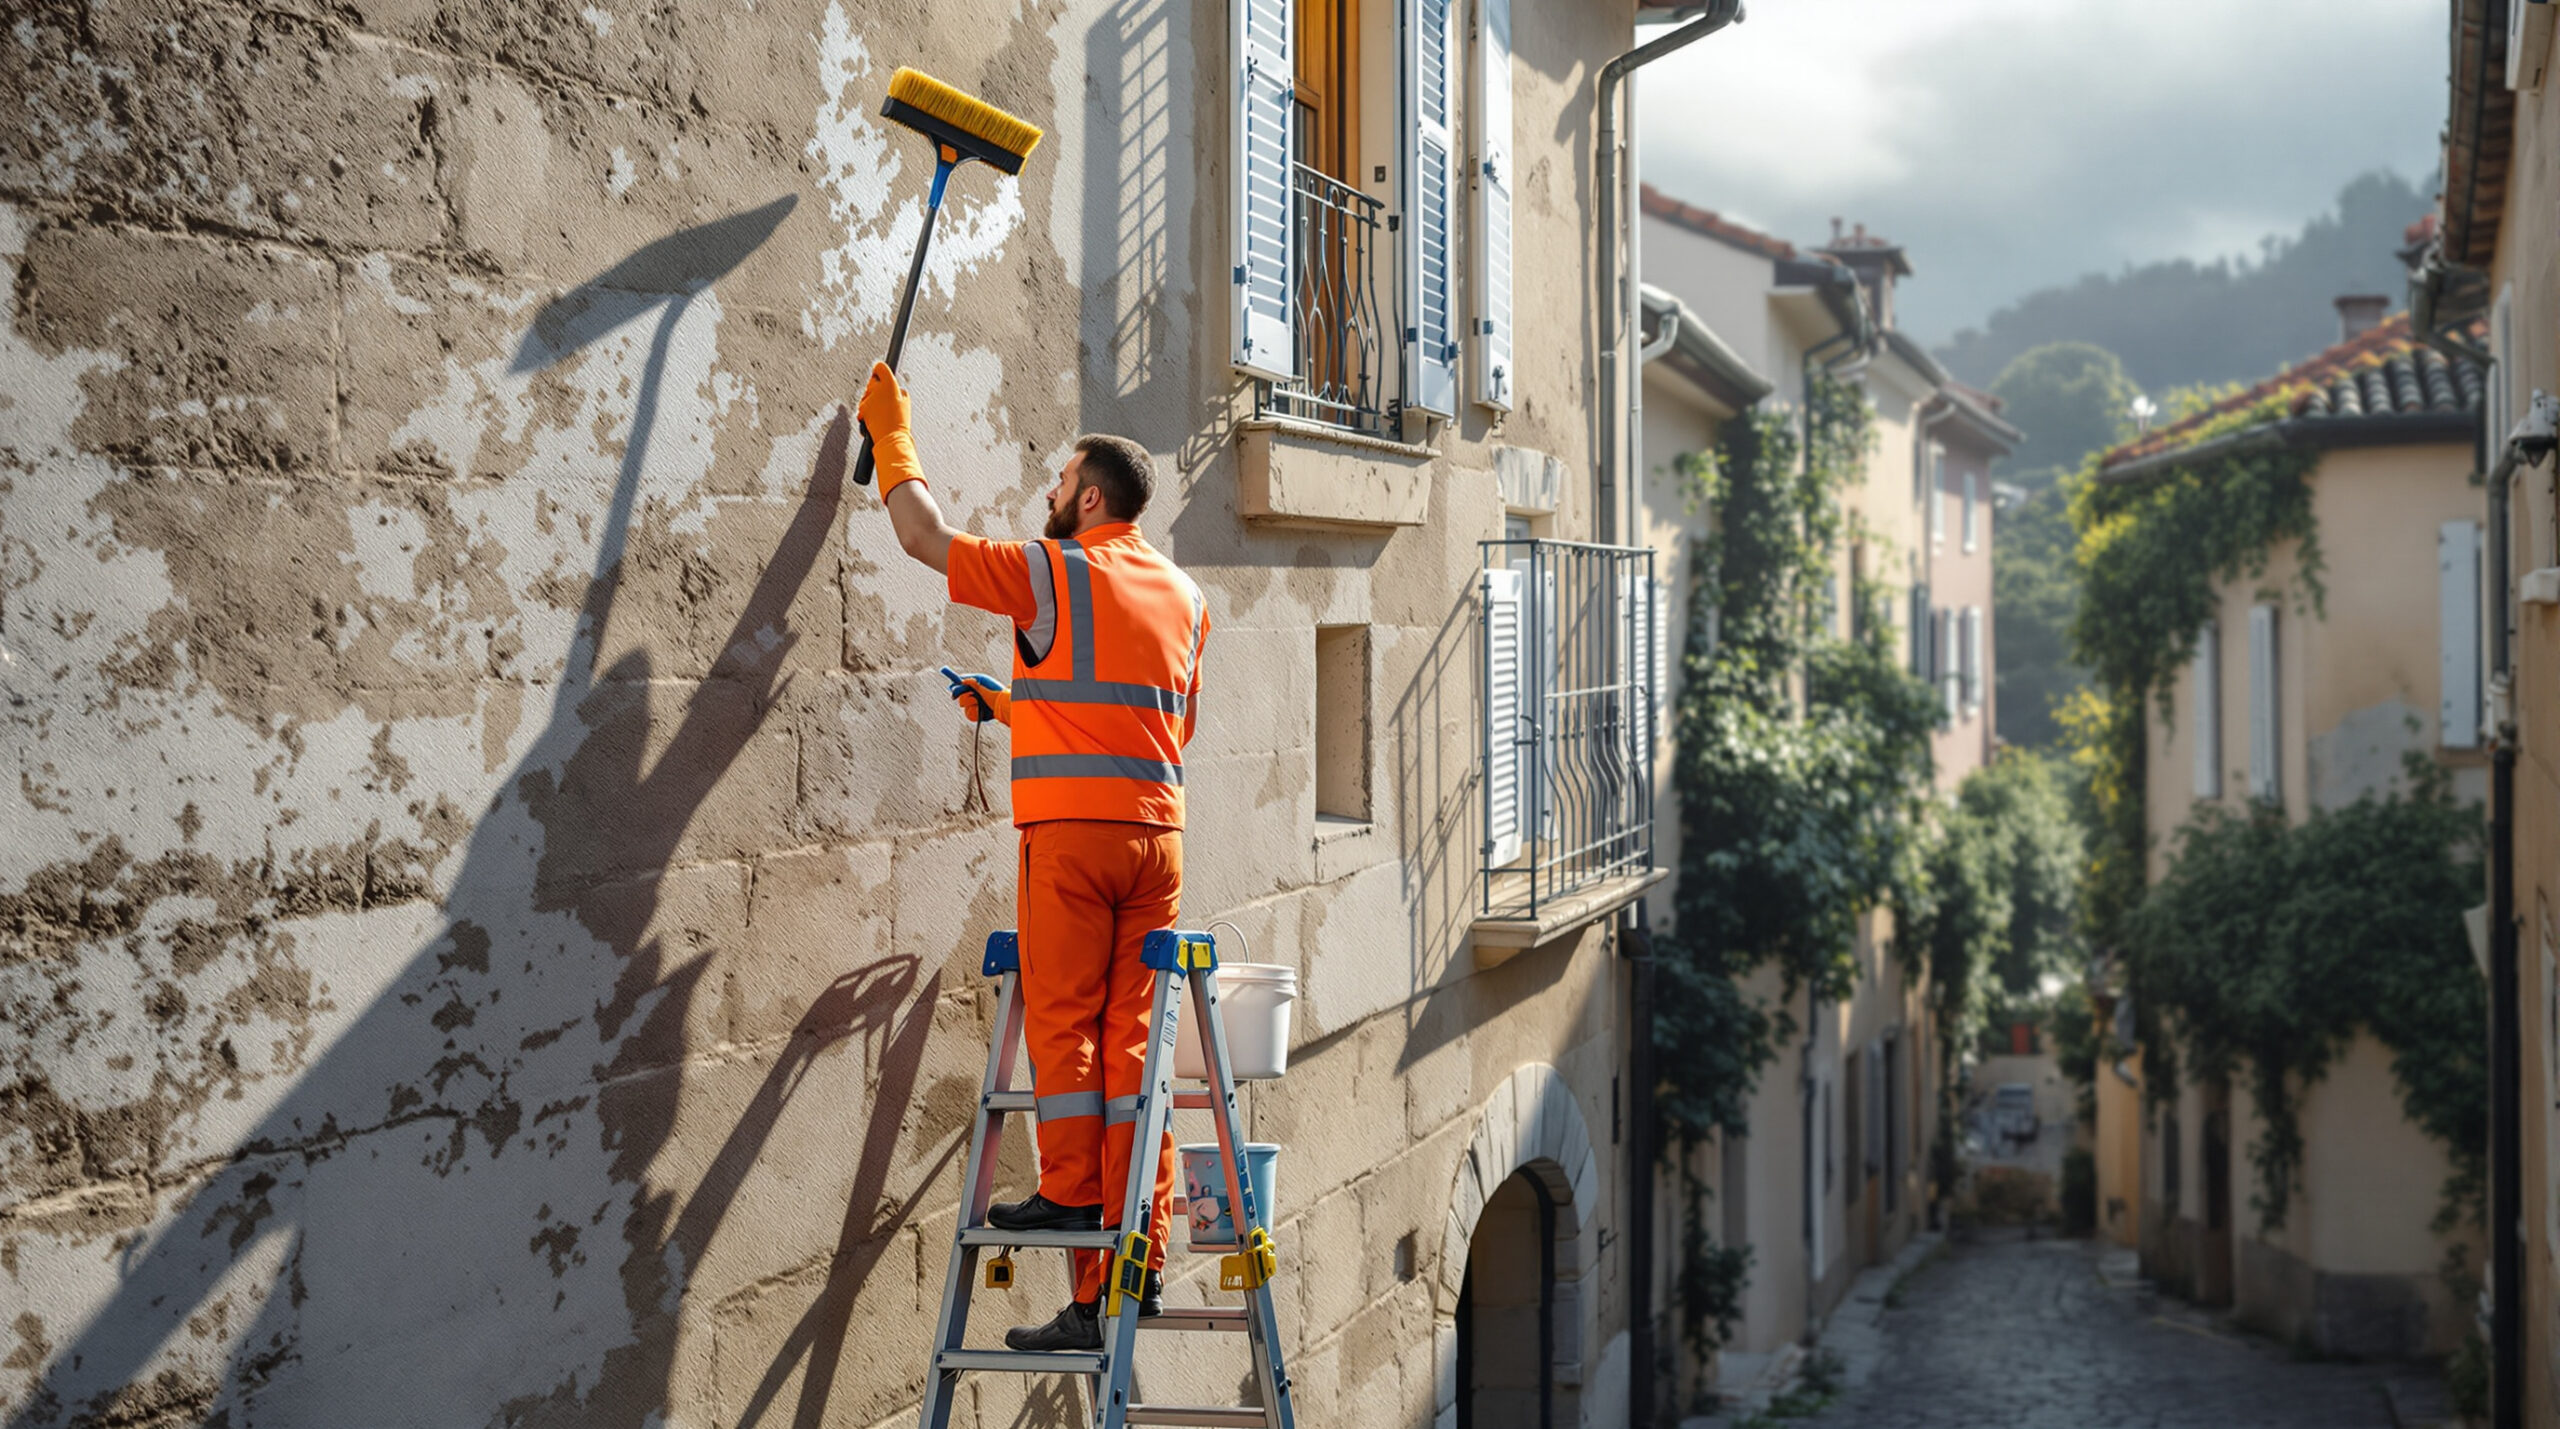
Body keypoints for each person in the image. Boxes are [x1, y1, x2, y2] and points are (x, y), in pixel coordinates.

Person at [857, 362, 1206, 1352]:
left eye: (1058, 483)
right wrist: (1012, 704)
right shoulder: (1183, 595)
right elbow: (1149, 724)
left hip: (1071, 842)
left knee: (1064, 1026)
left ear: (1089, 496)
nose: (1047, 497)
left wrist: (891, 433)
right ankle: (1120, 1281)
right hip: (1156, 840)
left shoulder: (1051, 571)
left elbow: (923, 536)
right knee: (1133, 1053)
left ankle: (1064, 1195)